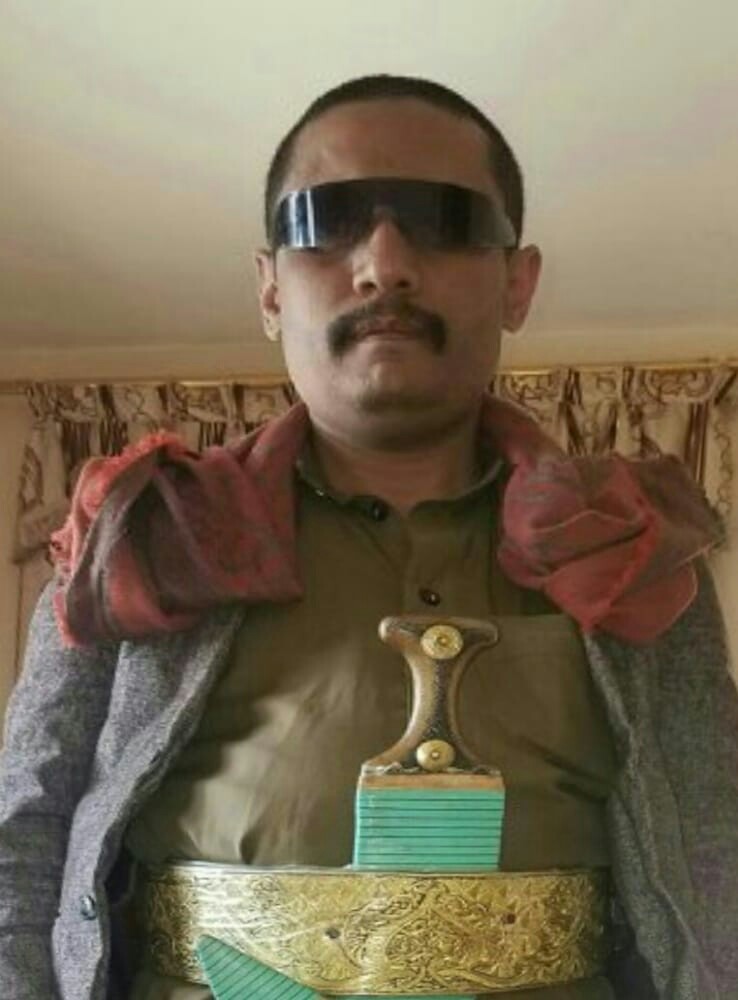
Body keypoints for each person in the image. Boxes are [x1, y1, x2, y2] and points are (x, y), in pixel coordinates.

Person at [0, 74, 736, 1000]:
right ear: (270, 288)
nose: (384, 264)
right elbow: (25, 838)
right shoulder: (138, 537)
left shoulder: (633, 550)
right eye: (326, 222)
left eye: (445, 221)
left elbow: (712, 850)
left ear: (517, 283)